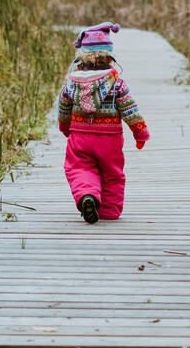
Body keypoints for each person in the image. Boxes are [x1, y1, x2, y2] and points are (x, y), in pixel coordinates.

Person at [57, 22, 149, 223]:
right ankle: (109, 211)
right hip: (110, 140)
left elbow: (64, 108)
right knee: (112, 174)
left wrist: (65, 127)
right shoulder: (117, 83)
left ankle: (87, 196)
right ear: (109, 57)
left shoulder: (72, 83)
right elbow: (130, 109)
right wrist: (140, 132)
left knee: (80, 169)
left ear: (82, 57)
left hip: (79, 137)